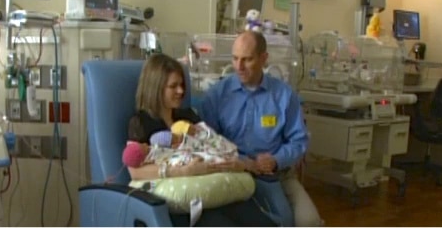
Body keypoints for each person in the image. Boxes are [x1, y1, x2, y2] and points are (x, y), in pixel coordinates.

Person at [126, 53, 278, 227]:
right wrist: (184, 171)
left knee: (262, 222)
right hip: (185, 205)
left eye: (182, 85)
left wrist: (238, 163)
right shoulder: (141, 123)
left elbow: (213, 144)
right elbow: (135, 172)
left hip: (215, 191)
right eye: (173, 86)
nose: (181, 91)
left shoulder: (188, 116)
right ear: (156, 88)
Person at [199, 31, 323, 227]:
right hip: (234, 173)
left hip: (277, 174)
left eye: (247, 59)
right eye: (235, 58)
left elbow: (299, 140)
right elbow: (206, 142)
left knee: (310, 222)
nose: (238, 67)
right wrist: (243, 162)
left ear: (264, 59)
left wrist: (276, 160)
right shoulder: (217, 96)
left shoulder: (283, 95)